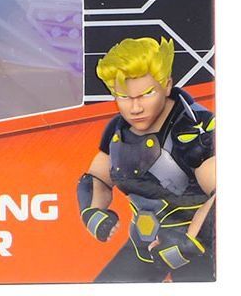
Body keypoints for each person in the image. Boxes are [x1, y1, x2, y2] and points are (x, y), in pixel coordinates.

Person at [77, 37, 215, 281]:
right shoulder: (118, 129)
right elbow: (97, 176)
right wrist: (93, 212)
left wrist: (190, 241)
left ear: (167, 85)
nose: (135, 108)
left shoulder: (195, 129)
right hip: (142, 245)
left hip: (198, 251)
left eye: (147, 94)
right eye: (124, 97)